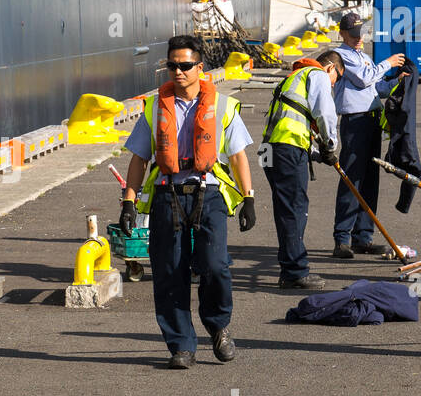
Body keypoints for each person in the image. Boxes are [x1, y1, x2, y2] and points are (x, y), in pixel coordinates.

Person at [118, 35, 257, 369]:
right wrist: (128, 202)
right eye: (172, 66)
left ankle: (218, 325)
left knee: (214, 266)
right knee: (169, 272)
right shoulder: (154, 108)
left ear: (200, 67)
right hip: (167, 196)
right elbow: (139, 158)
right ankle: (181, 345)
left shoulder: (221, 105)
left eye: (184, 66)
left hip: (208, 194)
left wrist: (248, 198)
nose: (177, 72)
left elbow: (238, 156)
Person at [260, 49, 343, 289]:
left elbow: (292, 120)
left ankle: (291, 268)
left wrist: (316, 155)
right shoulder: (316, 75)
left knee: (286, 210)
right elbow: (325, 112)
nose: (333, 85)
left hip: (270, 151)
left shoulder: (292, 79)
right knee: (294, 210)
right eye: (336, 79)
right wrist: (330, 146)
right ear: (330, 68)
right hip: (286, 149)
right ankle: (294, 272)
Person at [331, 11, 405, 258]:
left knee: (371, 179)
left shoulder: (362, 55)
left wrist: (397, 80)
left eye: (359, 34)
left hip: (371, 119)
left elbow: (376, 88)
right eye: (352, 35)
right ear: (342, 33)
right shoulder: (341, 56)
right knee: (352, 178)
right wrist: (388, 64)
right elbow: (364, 80)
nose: (357, 38)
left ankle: (363, 236)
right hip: (355, 121)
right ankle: (342, 238)